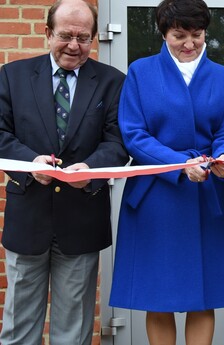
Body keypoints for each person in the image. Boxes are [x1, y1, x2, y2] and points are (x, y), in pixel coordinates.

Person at [108, 0, 224, 344]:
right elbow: (134, 135)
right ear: (163, 33)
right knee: (159, 296)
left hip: (205, 194)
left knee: (204, 295)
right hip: (156, 195)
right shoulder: (141, 71)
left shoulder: (222, 77)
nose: (189, 43)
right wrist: (179, 165)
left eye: (197, 35)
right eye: (178, 35)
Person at [0, 0, 129, 343]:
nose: (75, 45)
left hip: (82, 219)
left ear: (94, 39)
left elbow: (118, 142)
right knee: (18, 330)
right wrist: (31, 164)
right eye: (66, 35)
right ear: (47, 33)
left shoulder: (113, 82)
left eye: (84, 37)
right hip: (27, 217)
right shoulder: (12, 76)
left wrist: (92, 168)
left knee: (73, 332)